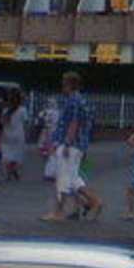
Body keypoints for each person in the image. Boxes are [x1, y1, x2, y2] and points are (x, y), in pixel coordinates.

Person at [42, 72, 101, 223]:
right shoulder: (80, 100)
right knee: (73, 179)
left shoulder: (74, 100)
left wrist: (67, 143)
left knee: (62, 178)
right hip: (78, 144)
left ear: (69, 84)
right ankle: (94, 201)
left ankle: (59, 212)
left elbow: (74, 122)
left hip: (71, 144)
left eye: (64, 83)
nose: (62, 86)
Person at [0, 90, 27, 182]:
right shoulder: (23, 110)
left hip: (7, 135)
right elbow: (25, 123)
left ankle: (9, 172)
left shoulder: (5, 111)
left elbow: (2, 123)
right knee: (17, 155)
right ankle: (14, 169)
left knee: (7, 155)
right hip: (19, 135)